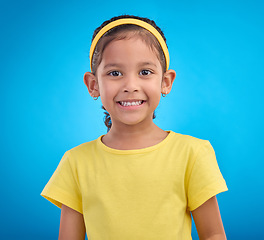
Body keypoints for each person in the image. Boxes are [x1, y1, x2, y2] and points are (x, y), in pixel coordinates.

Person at [41, 15, 228, 240]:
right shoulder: (75, 163)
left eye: (145, 72)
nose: (130, 86)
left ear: (166, 82)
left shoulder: (192, 154)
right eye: (115, 73)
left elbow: (213, 234)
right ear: (93, 85)